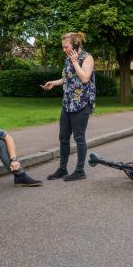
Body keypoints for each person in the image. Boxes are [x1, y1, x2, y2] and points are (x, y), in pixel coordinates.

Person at [42, 32, 95, 181]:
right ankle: (62, 168)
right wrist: (55, 82)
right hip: (68, 102)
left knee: (79, 137)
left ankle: (79, 171)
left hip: (82, 103)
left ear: (75, 46)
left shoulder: (87, 58)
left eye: (66, 47)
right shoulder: (68, 59)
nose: (64, 49)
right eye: (63, 47)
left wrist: (75, 62)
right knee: (63, 137)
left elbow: (85, 78)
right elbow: (67, 78)